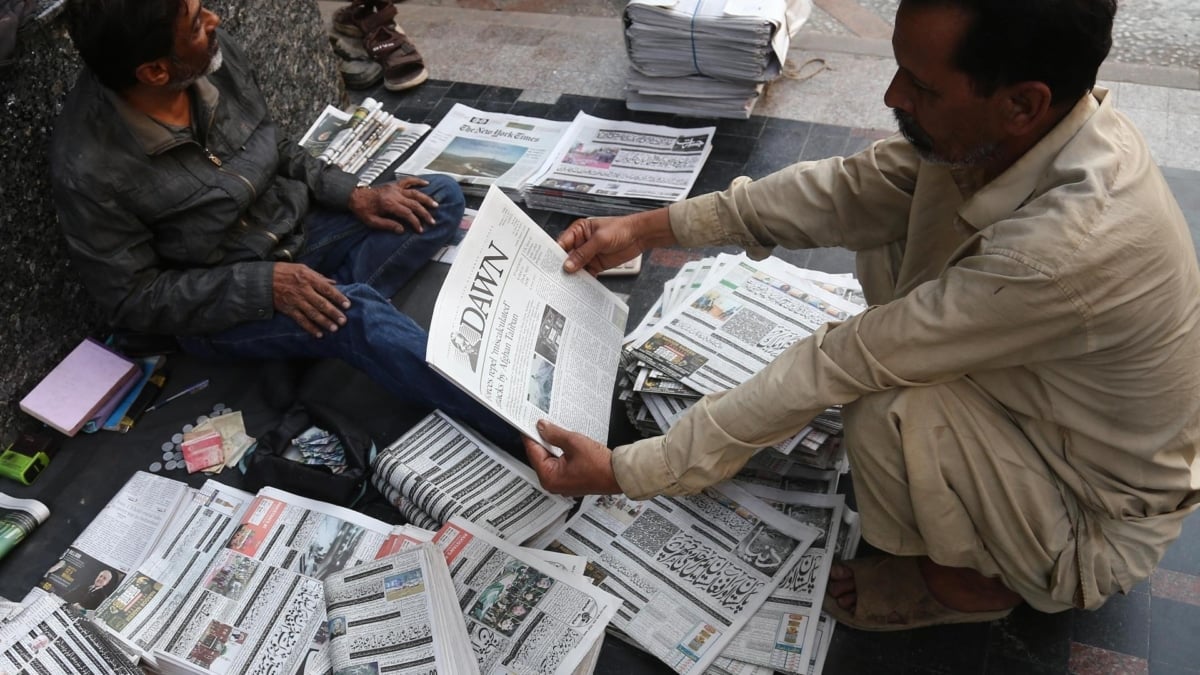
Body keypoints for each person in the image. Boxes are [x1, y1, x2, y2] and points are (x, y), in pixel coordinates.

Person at [524, 0, 1200, 630]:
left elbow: (842, 361)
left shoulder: (1065, 246)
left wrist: (632, 471)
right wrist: (649, 227)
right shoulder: (1022, 138)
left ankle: (972, 584)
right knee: (894, 227)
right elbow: (850, 191)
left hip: (1088, 520)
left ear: (1023, 103)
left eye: (922, 86)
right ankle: (962, 505)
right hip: (1044, 416)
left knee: (887, 401)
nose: (893, 97)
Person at [51, 0, 514, 447]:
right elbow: (133, 300)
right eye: (194, 23)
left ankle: (307, 338)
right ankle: (521, 428)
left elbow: (274, 145)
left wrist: (352, 194)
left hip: (297, 230)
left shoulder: (210, 58)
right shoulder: (89, 166)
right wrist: (264, 286)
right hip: (224, 297)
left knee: (436, 199)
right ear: (155, 71)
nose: (214, 19)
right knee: (356, 314)